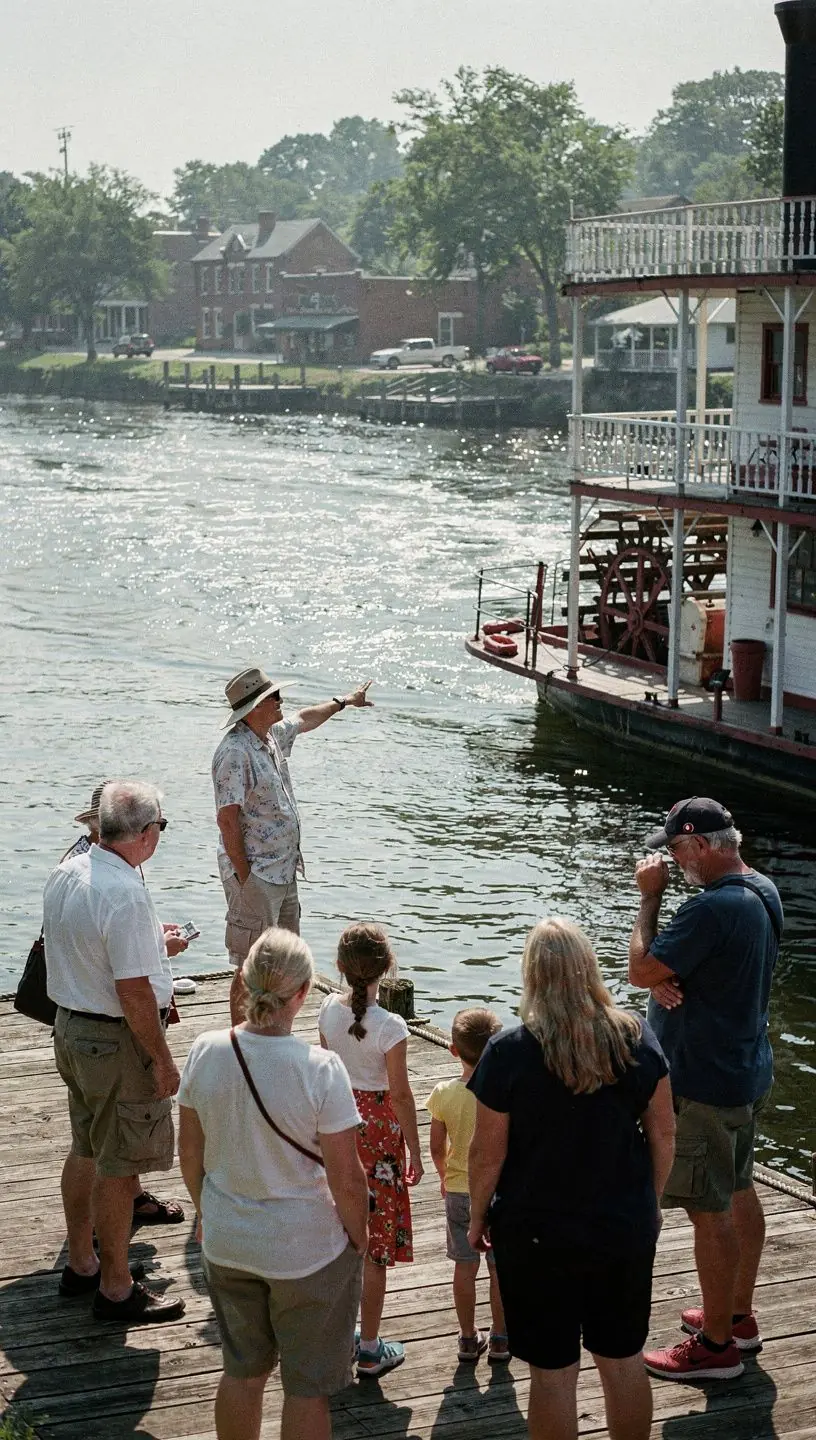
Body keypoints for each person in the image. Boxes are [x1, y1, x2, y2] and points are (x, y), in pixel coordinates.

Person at [468, 918, 675, 1440]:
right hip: (621, 1226)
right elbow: (665, 1134)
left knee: (552, 1374)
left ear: (532, 975)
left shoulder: (508, 1051)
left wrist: (476, 1217)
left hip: (536, 1232)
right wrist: (649, 1201)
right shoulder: (635, 1037)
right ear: (589, 969)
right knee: (623, 1360)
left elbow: (485, 1155)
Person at [177, 927, 368, 1440]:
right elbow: (348, 1178)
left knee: (242, 1372)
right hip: (305, 1254)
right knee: (306, 1390)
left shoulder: (205, 1050)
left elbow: (190, 1153)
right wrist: (360, 1240)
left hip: (229, 1243)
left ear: (243, 980)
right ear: (303, 994)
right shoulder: (321, 1069)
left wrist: (206, 1211)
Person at [628, 797, 783, 1382]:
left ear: (697, 845)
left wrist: (650, 897)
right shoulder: (761, 890)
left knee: (707, 1207)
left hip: (703, 1082)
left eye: (673, 851)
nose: (670, 862)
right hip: (745, 1066)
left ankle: (716, 1346)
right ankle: (738, 1316)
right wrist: (675, 974)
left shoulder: (712, 909)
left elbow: (640, 968)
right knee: (739, 1188)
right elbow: (707, 970)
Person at [43, 780, 186, 1323]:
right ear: (147, 833)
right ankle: (117, 1288)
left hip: (71, 1028)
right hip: (112, 1040)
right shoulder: (124, 891)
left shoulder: (71, 870)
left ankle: (81, 1263)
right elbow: (133, 993)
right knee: (120, 1165)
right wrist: (163, 1059)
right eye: (162, 828)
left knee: (85, 1146)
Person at [212, 665, 373, 1024]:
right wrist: (245, 876)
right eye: (274, 697)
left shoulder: (268, 735)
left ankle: (273, 1030)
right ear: (254, 707)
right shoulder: (235, 752)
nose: (281, 700)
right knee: (249, 963)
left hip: (283, 870)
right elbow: (227, 820)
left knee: (283, 958)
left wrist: (344, 701)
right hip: (256, 874)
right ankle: (242, 1040)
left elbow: (305, 719)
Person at [318, 923, 424, 1377]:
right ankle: (370, 1346)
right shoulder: (391, 1026)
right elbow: (400, 1095)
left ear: (339, 967)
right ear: (387, 968)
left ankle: (333, 1339)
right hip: (379, 1135)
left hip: (336, 1122)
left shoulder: (325, 1009)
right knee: (374, 1242)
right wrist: (415, 1153)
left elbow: (326, 1068)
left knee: (337, 1231)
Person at [426, 1007, 508, 1363]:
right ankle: (502, 1338)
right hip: (499, 1191)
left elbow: (435, 1146)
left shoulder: (444, 1094)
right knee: (497, 1267)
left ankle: (467, 1336)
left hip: (459, 1191)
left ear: (453, 1050)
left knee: (464, 1264)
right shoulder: (506, 1092)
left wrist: (445, 1176)